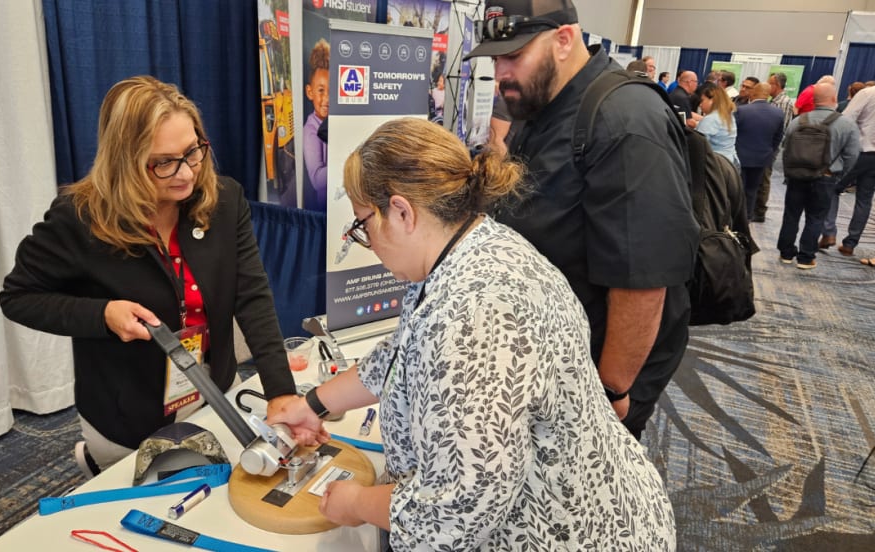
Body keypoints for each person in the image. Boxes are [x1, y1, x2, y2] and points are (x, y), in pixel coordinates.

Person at [268, 117, 677, 550]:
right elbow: (400, 355)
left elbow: (456, 510)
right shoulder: (475, 247)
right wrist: (313, 404)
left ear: (403, 211)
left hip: (568, 532)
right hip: (598, 502)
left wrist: (355, 503)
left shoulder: (470, 316)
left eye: (364, 225)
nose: (366, 239)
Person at [0, 76, 300, 474]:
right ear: (125, 160)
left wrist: (280, 391)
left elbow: (252, 296)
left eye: (192, 152)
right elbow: (18, 297)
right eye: (163, 162)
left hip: (211, 391)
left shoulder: (224, 200)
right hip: (126, 415)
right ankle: (93, 462)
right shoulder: (79, 218)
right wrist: (102, 315)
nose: (186, 173)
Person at [465, 0, 699, 439]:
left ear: (564, 40)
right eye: (496, 58)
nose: (501, 73)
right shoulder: (545, 104)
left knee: (583, 487)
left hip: (601, 367)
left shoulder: (625, 121)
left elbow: (643, 283)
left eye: (514, 56)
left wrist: (608, 391)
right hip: (552, 348)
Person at [776, 83, 860, 269]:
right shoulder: (846, 124)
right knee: (815, 218)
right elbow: (853, 155)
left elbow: (786, 148)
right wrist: (841, 177)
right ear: (833, 99)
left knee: (791, 215)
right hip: (825, 178)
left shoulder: (798, 121)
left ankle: (786, 253)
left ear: (813, 100)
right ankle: (806, 258)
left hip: (796, 177)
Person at [823, 57, 875, 257]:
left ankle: (829, 232)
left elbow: (845, 121)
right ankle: (850, 244)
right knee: (865, 200)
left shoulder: (868, 93)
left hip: (858, 153)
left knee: (832, 188)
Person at [735, 82, 785, 220]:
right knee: (752, 190)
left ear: (753, 92)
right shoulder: (778, 113)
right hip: (762, 158)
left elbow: (733, 133)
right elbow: (778, 137)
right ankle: (748, 217)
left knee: (738, 189)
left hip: (741, 157)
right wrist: (769, 151)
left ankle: (735, 217)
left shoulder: (742, 111)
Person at [752, 71, 796, 223]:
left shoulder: (783, 102)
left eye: (769, 83)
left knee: (764, 179)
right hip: (765, 146)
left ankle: (759, 210)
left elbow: (780, 129)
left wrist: (771, 149)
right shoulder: (775, 101)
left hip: (769, 147)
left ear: (776, 85)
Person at [304, 38, 330, 211]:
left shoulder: (335, 122)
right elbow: (317, 180)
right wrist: (349, 159)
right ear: (310, 92)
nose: (327, 99)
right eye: (321, 90)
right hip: (324, 212)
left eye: (331, 90)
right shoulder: (311, 130)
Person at [696, 82, 740, 167]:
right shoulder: (728, 115)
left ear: (712, 100)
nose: (700, 105)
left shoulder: (710, 119)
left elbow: (698, 145)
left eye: (702, 100)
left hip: (716, 164)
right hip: (730, 161)